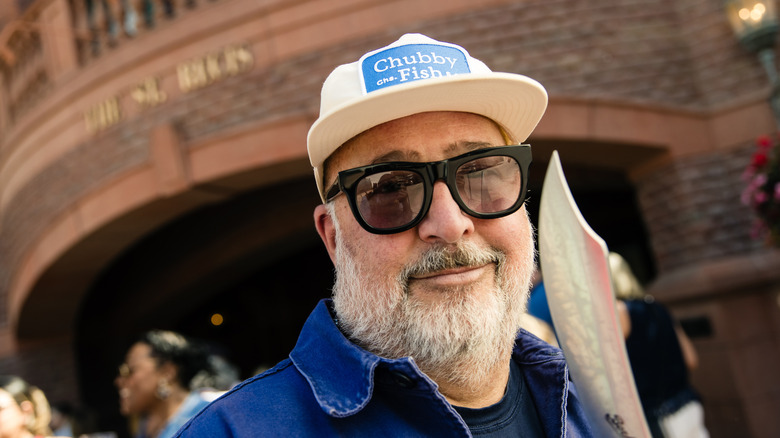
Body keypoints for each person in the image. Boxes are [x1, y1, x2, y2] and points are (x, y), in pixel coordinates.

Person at [175, 33, 592, 437]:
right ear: (333, 238)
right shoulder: (229, 432)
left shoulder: (598, 409)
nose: (450, 224)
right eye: (390, 189)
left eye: (480, 173)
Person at [610, 252, 708, 438]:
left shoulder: (618, 312)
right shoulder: (657, 306)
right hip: (688, 404)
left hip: (657, 417)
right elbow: (691, 360)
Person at [114, 330, 212, 438]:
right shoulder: (145, 425)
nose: (119, 381)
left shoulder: (206, 418)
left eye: (130, 370)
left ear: (167, 373)